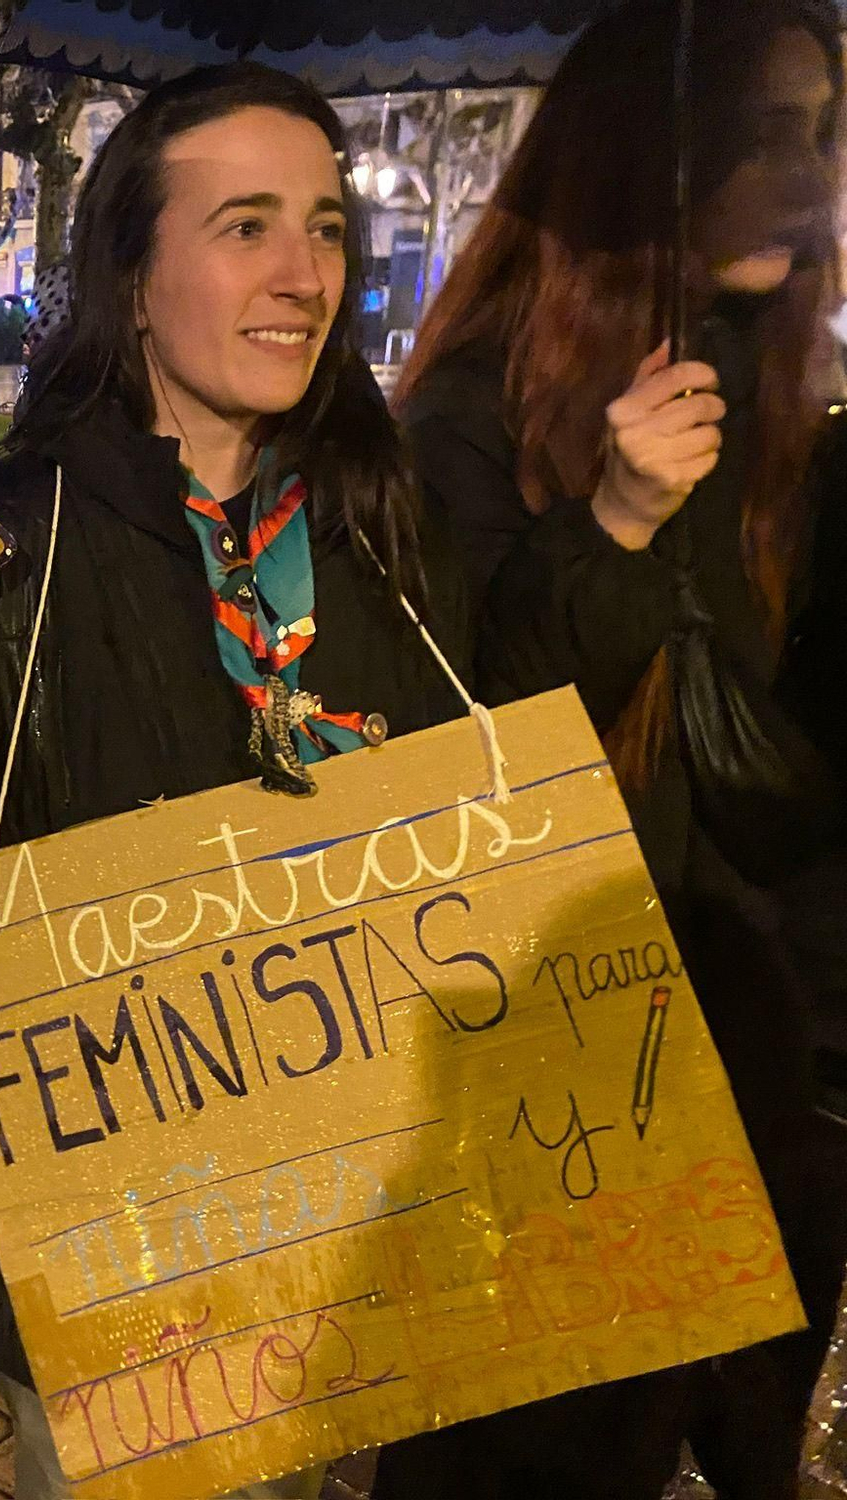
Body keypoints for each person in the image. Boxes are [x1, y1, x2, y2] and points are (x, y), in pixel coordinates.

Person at [0, 63, 474, 1499]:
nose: (302, 273)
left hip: (329, 1215)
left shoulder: (382, 527)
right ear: (129, 277)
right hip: (115, 1251)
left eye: (322, 226)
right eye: (245, 225)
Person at [378, 3, 847, 1496]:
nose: (812, 174)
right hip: (557, 1076)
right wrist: (620, 525)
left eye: (826, 135)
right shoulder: (476, 417)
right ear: (651, 146)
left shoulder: (789, 420)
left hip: (768, 1062)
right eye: (765, 134)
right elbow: (469, 749)